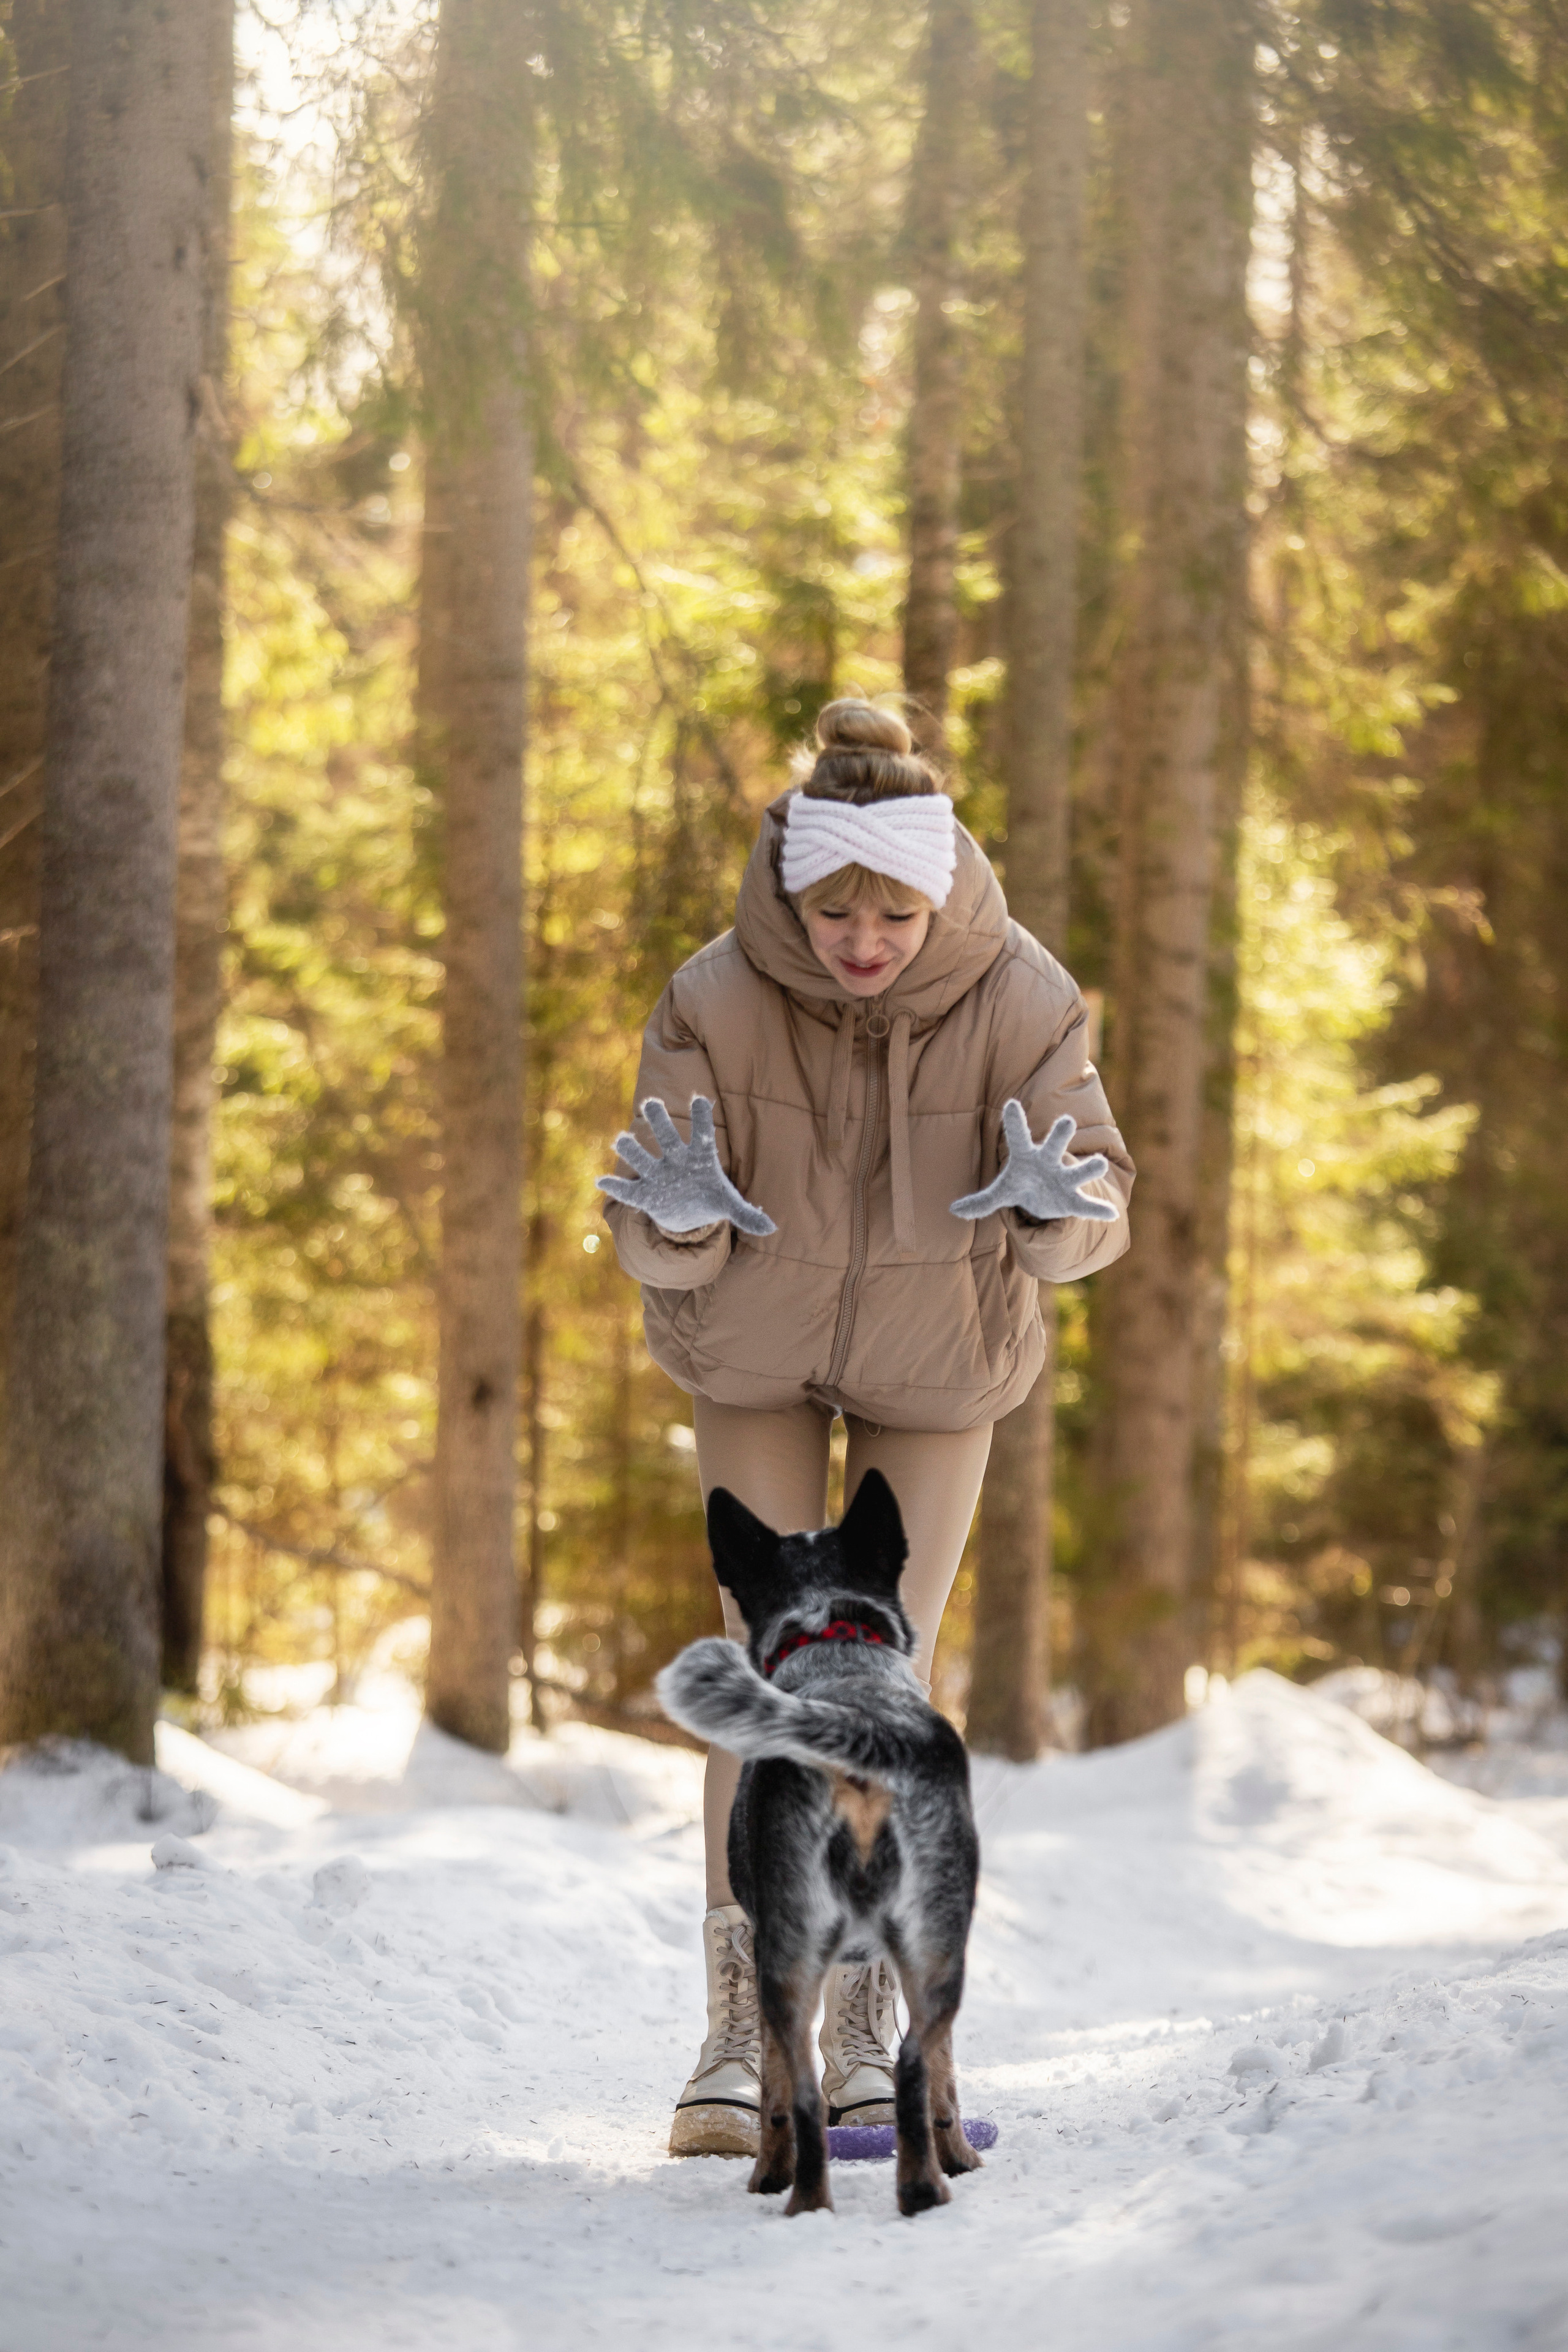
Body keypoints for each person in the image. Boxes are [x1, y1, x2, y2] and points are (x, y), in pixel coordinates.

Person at [597, 698, 1134, 2158]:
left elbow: (1093, 1200)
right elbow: (649, 1214)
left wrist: (1057, 1213)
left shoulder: (1022, 996)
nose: (864, 942)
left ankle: (856, 2033)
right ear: (794, 893)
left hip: (936, 1358)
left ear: (937, 887)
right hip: (753, 1352)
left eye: (894, 913)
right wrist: (672, 1227)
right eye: (835, 913)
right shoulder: (713, 994)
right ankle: (737, 2031)